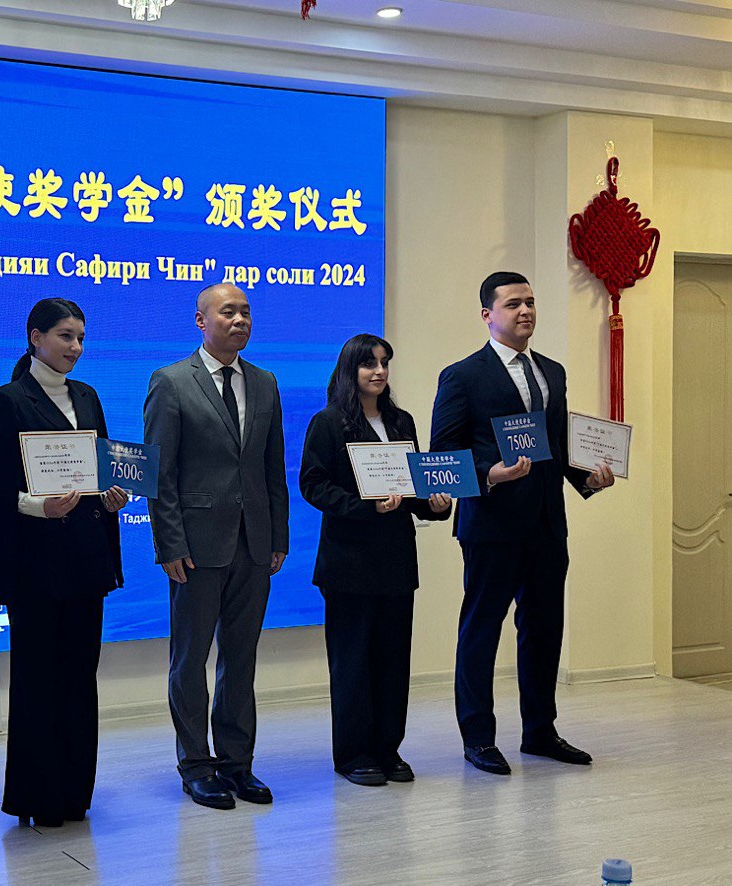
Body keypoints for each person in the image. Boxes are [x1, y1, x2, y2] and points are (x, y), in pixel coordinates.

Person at [429, 271, 615, 776]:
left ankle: (540, 731)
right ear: (487, 315)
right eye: (513, 304)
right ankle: (478, 738)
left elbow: (557, 445)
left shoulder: (552, 372)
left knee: (544, 629)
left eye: (530, 302)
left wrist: (590, 478)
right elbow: (443, 452)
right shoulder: (463, 375)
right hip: (492, 523)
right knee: (481, 629)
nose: (525, 311)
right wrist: (490, 473)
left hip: (547, 523)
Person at [0, 298, 128, 827]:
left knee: (80, 677)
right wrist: (40, 506)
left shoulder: (89, 396)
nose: (75, 347)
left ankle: (75, 793)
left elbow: (99, 470)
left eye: (81, 337)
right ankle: (37, 797)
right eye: (65, 336)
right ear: (36, 337)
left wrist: (112, 496)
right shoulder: (7, 400)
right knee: (37, 678)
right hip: (35, 565)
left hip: (86, 559)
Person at [143, 282, 289, 810]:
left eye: (246, 311)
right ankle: (196, 765)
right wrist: (169, 543)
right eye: (229, 312)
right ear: (201, 321)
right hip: (196, 545)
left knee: (241, 657)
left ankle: (236, 763)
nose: (241, 320)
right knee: (190, 661)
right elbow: (160, 472)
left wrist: (277, 536)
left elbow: (272, 466)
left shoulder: (265, 382)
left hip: (254, 543)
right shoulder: (171, 381)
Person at [299, 333, 452, 787]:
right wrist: (366, 507)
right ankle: (354, 754)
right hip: (348, 563)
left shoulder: (401, 421)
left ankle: (388, 749)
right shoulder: (329, 422)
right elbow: (313, 485)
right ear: (351, 369)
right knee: (352, 663)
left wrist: (435, 504)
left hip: (396, 561)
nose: (380, 371)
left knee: (392, 662)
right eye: (370, 363)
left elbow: (413, 488)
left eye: (385, 362)